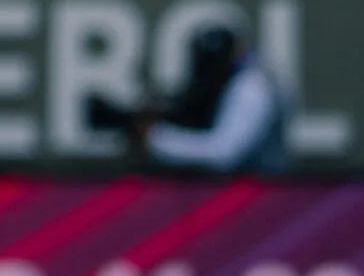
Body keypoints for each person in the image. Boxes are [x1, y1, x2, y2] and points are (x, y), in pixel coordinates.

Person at [90, 25, 293, 174]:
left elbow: (223, 153)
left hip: (264, 198)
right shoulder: (233, 80)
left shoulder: (252, 87)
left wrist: (155, 137)